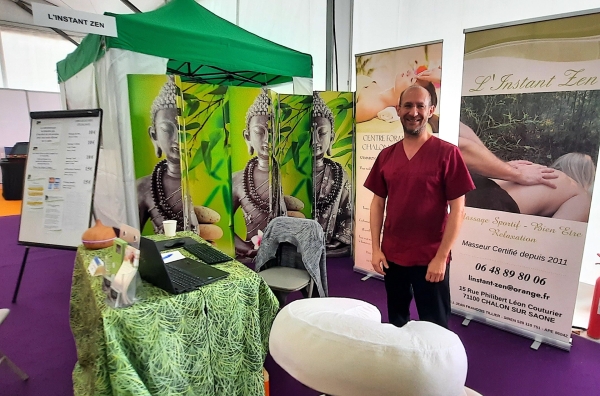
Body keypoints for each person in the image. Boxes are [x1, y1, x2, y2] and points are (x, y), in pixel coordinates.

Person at [364, 85, 475, 329]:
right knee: (397, 323)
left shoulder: (448, 154)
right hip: (393, 256)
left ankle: (435, 368)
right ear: (398, 109)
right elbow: (377, 203)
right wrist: (375, 248)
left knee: (435, 325)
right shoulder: (386, 156)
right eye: (408, 105)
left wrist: (441, 257)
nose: (413, 112)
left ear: (430, 110)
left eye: (420, 106)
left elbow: (458, 210)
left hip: (430, 258)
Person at [461, 122, 595, 222]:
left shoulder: (531, 169)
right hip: (490, 205)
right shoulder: (580, 195)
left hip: (468, 185)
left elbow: (460, 130)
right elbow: (553, 239)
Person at [136, 75, 197, 234]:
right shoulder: (143, 188)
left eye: (184, 130)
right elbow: (131, 241)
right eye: (167, 130)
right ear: (154, 135)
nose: (178, 139)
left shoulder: (215, 182)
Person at [232, 88, 286, 260]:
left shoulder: (292, 175)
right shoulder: (237, 180)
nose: (267, 139)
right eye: (259, 132)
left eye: (272, 132)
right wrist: (246, 248)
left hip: (287, 250)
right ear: (247, 136)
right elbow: (224, 225)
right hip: (253, 252)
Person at [312, 93, 352, 257]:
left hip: (329, 245)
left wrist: (342, 236)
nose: (315, 140)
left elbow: (348, 214)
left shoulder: (339, 174)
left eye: (321, 133)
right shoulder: (290, 174)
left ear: (332, 138)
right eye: (309, 132)